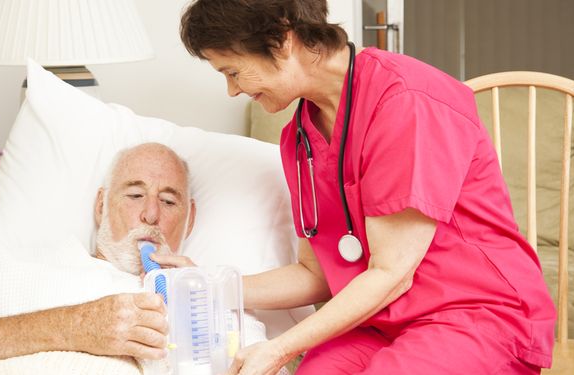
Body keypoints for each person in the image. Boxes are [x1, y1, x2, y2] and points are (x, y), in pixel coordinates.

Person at [180, 1, 556, 374]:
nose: (232, 90)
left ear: (281, 39)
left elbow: (392, 272)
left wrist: (278, 349)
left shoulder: (406, 100)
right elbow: (316, 274)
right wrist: (205, 284)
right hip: (381, 318)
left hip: (475, 312)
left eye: (232, 71)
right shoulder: (299, 139)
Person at [0, 143, 204, 374]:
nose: (150, 214)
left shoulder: (208, 300)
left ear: (189, 221)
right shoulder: (5, 262)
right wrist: (76, 327)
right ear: (101, 206)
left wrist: (196, 303)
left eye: (168, 201)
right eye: (135, 195)